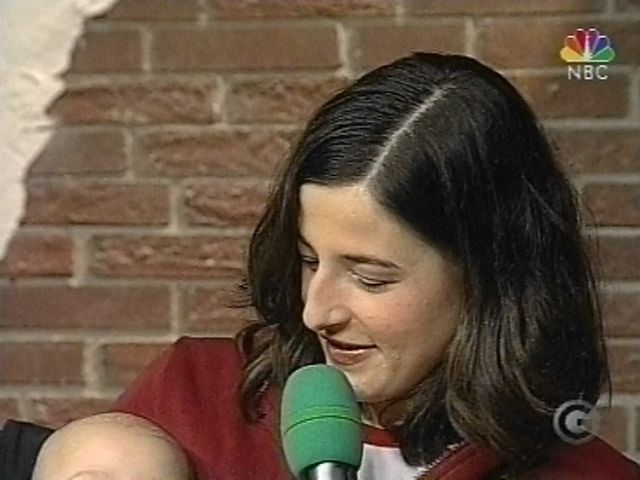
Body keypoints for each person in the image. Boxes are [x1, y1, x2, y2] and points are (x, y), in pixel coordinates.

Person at [19, 52, 640, 479]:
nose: (318, 311)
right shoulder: (193, 399)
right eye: (308, 260)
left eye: (371, 277)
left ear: (490, 279)